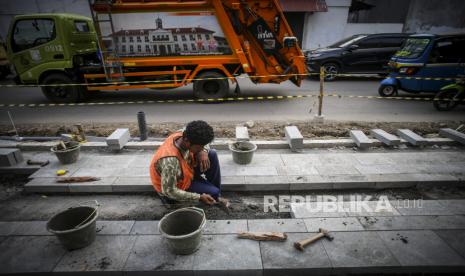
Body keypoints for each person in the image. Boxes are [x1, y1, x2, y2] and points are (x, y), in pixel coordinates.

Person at [150, 120, 226, 206]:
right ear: (187, 140)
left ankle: (215, 195)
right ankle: (212, 194)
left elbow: (203, 146)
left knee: (211, 154)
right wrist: (198, 197)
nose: (201, 148)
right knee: (214, 192)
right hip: (177, 185)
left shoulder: (184, 133)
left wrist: (203, 151)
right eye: (200, 146)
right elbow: (169, 191)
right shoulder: (171, 161)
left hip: (186, 170)